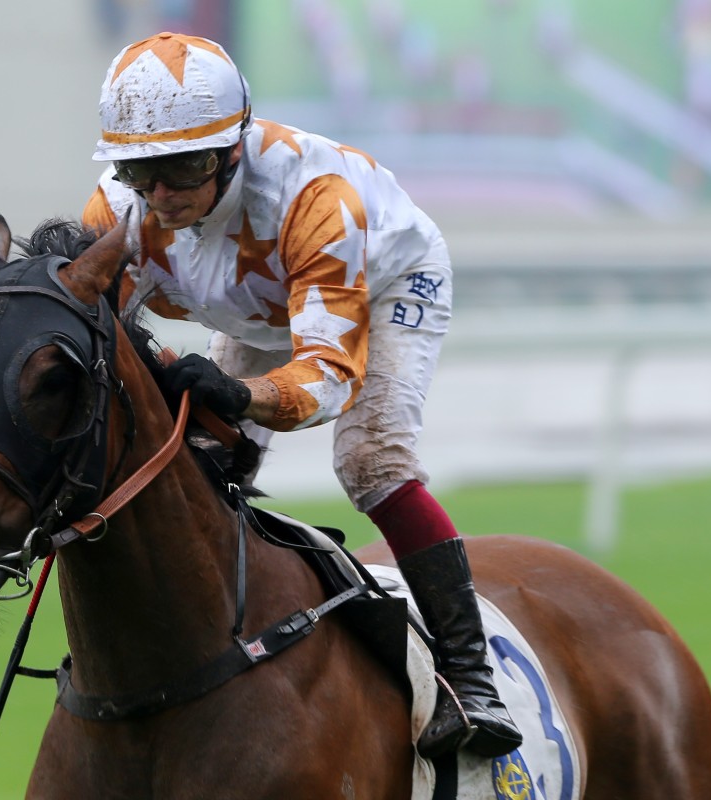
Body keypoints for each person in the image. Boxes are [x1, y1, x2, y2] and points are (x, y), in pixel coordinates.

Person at [81, 31, 522, 760]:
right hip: (260, 299)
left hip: (378, 282)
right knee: (203, 459)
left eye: (184, 167)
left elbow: (326, 378)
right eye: (140, 169)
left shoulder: (314, 201)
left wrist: (233, 389)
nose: (161, 194)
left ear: (231, 148)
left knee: (371, 461)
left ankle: (470, 676)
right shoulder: (119, 210)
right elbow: (100, 329)